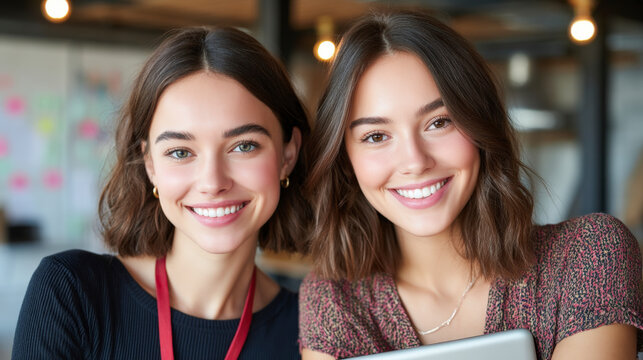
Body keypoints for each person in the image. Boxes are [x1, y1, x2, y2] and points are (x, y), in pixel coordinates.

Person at [299, 10, 643, 360]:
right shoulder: (335, 299)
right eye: (375, 136)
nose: (415, 161)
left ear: (481, 123)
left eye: (439, 122)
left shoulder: (588, 255)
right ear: (345, 159)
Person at [12, 26, 309, 359]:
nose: (212, 182)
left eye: (244, 146)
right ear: (150, 163)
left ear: (287, 155)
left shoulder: (310, 336)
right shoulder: (73, 294)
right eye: (180, 152)